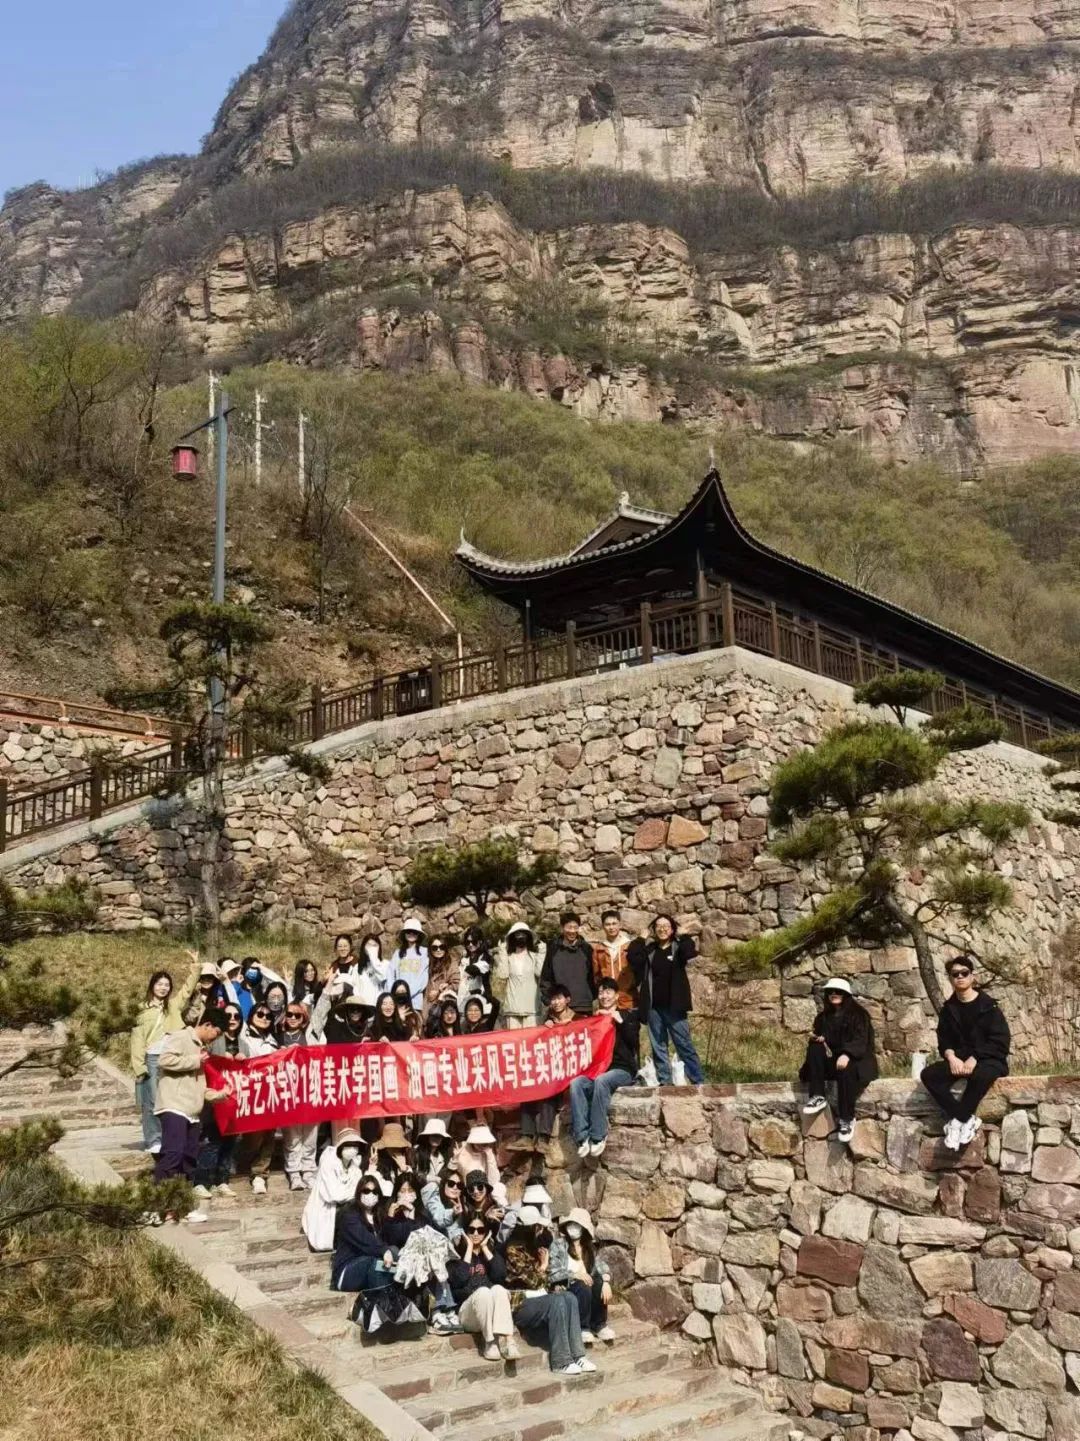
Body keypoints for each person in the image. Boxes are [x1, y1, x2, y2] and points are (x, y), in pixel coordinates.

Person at [920, 954, 1011, 1151]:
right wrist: (951, 1057)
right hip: (959, 1059)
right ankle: (965, 1118)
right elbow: (944, 1040)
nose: (960, 977)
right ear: (951, 979)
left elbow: (1000, 1040)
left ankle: (957, 1121)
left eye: (964, 973)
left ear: (972, 976)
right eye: (955, 974)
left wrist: (975, 1057)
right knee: (929, 1075)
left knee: (980, 1075)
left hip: (988, 1058)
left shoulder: (989, 1006)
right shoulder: (948, 1009)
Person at [153, 1006, 229, 1221]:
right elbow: (164, 1060)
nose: (215, 1038)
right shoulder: (181, 1037)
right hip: (174, 1106)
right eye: (216, 1033)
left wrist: (220, 1095)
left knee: (188, 1160)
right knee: (173, 1155)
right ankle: (158, 1207)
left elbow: (200, 1086)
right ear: (207, 1024)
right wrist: (195, 1061)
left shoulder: (203, 1050)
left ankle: (180, 1208)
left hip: (193, 1112)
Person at [504, 1206, 594, 1376]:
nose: (540, 1231)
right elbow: (535, 1282)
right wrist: (544, 1265)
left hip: (539, 1298)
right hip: (521, 1304)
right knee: (557, 1301)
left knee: (569, 1297)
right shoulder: (513, 1250)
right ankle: (561, 1361)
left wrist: (543, 1270)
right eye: (538, 1227)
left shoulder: (534, 1248)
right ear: (529, 1227)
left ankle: (578, 1355)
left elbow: (545, 1282)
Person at [130, 956, 201, 1154]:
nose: (163, 988)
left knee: (170, 1100)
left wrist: (195, 967)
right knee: (152, 1100)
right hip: (152, 1058)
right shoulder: (141, 1009)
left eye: (167, 985)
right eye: (159, 984)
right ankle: (153, 1139)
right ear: (152, 986)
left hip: (172, 1056)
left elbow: (187, 990)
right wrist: (139, 1066)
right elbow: (136, 1039)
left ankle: (169, 1137)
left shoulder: (173, 1005)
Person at [800, 978, 879, 1144]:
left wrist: (847, 1054)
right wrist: (820, 1039)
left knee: (846, 1068)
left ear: (846, 995)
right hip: (834, 1061)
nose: (834, 994)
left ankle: (847, 1119)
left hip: (857, 1061)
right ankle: (817, 1096)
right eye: (830, 991)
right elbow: (827, 1041)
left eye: (838, 992)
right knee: (815, 1048)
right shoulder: (823, 1017)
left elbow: (861, 1041)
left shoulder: (859, 1015)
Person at [569, 977, 640, 1158]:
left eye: (608, 992)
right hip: (598, 1070)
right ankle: (582, 1137)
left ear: (616, 996)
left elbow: (634, 1042)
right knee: (576, 1083)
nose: (604, 996)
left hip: (622, 1070)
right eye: (601, 992)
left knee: (602, 1081)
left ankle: (598, 1136)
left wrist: (619, 1021)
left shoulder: (627, 1016)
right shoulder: (595, 1019)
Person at [630, 914, 704, 1085]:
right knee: (658, 1046)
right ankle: (665, 1082)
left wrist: (683, 935)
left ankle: (698, 1081)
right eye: (658, 926)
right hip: (653, 1007)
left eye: (666, 926)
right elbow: (633, 958)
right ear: (653, 929)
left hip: (675, 1007)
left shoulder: (678, 948)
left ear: (672, 929)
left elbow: (690, 952)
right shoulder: (650, 950)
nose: (662, 929)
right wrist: (641, 939)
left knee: (684, 1045)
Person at [449, 1212, 520, 1361]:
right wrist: (469, 1248)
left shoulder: (490, 1254)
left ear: (486, 1233)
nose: (475, 1234)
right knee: (483, 1292)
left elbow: (500, 1276)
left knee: (499, 1289)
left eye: (480, 1230)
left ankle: (509, 1341)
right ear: (465, 1232)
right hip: (468, 1314)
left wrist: (485, 1248)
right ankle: (490, 1343)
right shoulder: (456, 1255)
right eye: (471, 1230)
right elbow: (458, 1282)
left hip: (490, 1313)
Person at [192, 1001, 244, 1199]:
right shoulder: (212, 1040)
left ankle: (222, 1180)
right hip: (214, 1099)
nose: (232, 1020)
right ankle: (202, 1181)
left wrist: (244, 1059)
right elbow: (205, 1060)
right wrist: (222, 1058)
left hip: (235, 1100)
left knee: (230, 1143)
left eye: (236, 1016)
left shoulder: (244, 1042)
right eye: (228, 1016)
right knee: (212, 1142)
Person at [520, 987, 575, 1147]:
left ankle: (544, 1137)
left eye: (559, 998)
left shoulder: (578, 1019)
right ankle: (526, 1135)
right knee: (528, 1086)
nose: (556, 1002)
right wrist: (545, 1029)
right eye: (553, 999)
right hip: (549, 1067)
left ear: (567, 1000)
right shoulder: (547, 1020)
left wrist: (569, 1027)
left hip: (569, 1071)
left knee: (549, 1091)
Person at [302, 1127, 367, 1251]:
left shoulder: (355, 1167)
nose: (352, 1149)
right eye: (348, 1145)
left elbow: (359, 1187)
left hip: (346, 1205)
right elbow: (334, 1195)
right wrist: (354, 1193)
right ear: (341, 1147)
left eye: (355, 1146)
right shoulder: (329, 1163)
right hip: (327, 1208)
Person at [238, 1002, 279, 1193]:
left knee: (269, 1134)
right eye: (260, 1014)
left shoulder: (273, 1040)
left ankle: (260, 1174)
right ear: (251, 1016)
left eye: (268, 1016)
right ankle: (245, 1163)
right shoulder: (243, 1036)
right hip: (250, 1091)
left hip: (271, 1092)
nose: (264, 1018)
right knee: (253, 1135)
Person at [278, 999, 319, 1190]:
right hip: (288, 1092)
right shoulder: (277, 1037)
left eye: (297, 1015)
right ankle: (294, 1172)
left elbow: (321, 1055)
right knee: (292, 1136)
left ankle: (309, 1170)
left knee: (310, 1135)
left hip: (310, 1089)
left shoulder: (311, 1035)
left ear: (304, 1018)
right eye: (289, 1014)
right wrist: (280, 1053)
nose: (293, 1018)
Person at [560, 1208, 614, 1344]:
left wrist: (606, 1281)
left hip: (586, 1284)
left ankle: (599, 1325)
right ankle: (583, 1327)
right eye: (570, 1224)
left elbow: (601, 1265)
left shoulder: (589, 1247)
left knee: (598, 1282)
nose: (573, 1227)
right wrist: (575, 1275)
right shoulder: (559, 1245)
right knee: (584, 1285)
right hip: (567, 1285)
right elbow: (554, 1272)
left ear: (583, 1228)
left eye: (577, 1224)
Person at [331, 1176, 391, 1292]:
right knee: (376, 1264)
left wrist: (392, 1218)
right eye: (366, 1191)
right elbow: (364, 1239)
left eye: (374, 1191)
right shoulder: (349, 1214)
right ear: (359, 1192)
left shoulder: (378, 1215)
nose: (370, 1194)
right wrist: (384, 1250)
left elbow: (391, 1239)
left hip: (369, 1266)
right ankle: (382, 1300)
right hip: (347, 1270)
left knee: (393, 1255)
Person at [540, 912, 595, 1018]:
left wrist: (590, 996)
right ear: (562, 928)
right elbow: (546, 977)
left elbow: (593, 975)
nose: (572, 931)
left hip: (583, 1005)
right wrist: (548, 999)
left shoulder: (586, 949)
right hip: (560, 1006)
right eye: (569, 927)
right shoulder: (553, 949)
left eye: (575, 927)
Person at [495, 922, 544, 1028]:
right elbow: (503, 975)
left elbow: (539, 972)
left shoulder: (534, 957)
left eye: (523, 934)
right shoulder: (508, 958)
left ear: (528, 937)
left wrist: (542, 951)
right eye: (518, 934)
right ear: (513, 938)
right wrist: (502, 951)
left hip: (532, 1010)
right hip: (512, 1010)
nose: (521, 937)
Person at [591, 910, 637, 1010]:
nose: (611, 927)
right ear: (603, 926)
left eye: (614, 923)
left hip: (628, 999)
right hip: (607, 1001)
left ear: (620, 925)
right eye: (607, 924)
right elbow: (597, 976)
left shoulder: (630, 946)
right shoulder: (599, 949)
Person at [456, 1125, 507, 1205]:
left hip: (483, 1189)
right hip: (469, 1189)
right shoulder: (462, 1150)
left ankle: (504, 1209)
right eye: (480, 1143)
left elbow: (494, 1181)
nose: (482, 1145)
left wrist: (489, 1157)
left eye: (485, 1143)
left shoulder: (488, 1153)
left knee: (499, 1187)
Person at [392, 918, 429, 1011]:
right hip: (398, 1000)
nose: (411, 934)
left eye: (414, 932)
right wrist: (395, 993)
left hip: (416, 1001)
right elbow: (391, 974)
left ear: (419, 934)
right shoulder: (397, 953)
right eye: (408, 931)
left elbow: (423, 979)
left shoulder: (425, 953)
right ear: (404, 934)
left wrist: (407, 994)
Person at [422, 1168, 466, 1246]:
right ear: (443, 1184)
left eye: (459, 1185)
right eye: (451, 1184)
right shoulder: (434, 1199)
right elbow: (439, 1218)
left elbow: (456, 1231)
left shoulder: (460, 1206)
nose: (455, 1187)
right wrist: (453, 1213)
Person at [458, 925, 496, 1012]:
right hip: (464, 1000)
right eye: (467, 942)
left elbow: (477, 968)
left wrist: (467, 971)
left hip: (481, 1002)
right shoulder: (464, 959)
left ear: (480, 941)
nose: (470, 945)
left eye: (474, 942)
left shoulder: (485, 957)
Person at [372, 1121, 413, 1196]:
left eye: (398, 1147)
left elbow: (412, 1189)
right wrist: (372, 1166)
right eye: (392, 1147)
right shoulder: (378, 1163)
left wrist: (404, 1170)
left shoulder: (406, 1162)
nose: (395, 1150)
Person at [416, 1117, 454, 1183]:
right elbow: (415, 1174)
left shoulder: (443, 1155)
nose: (436, 1138)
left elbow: (448, 1174)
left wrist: (455, 1159)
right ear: (428, 1136)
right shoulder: (417, 1152)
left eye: (439, 1136)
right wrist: (432, 1179)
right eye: (434, 1135)